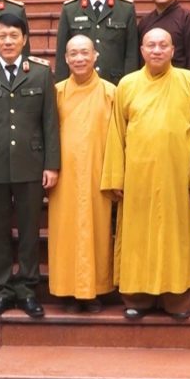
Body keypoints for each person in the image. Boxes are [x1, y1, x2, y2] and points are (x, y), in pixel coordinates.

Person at [101, 27, 190, 320]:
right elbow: (116, 134)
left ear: (173, 50)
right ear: (141, 50)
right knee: (138, 238)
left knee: (175, 237)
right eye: (150, 45)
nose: (156, 50)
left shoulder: (189, 81)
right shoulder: (127, 84)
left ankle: (177, 298)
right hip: (137, 179)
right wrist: (115, 177)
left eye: (163, 45)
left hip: (177, 177)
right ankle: (137, 297)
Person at [0, 13, 60, 319]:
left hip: (31, 163)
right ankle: (3, 289)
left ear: (24, 39)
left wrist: (51, 164)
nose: (8, 41)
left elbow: (50, 122)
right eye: (2, 36)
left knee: (30, 230)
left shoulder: (42, 73)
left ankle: (28, 289)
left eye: (14, 36)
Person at [47, 34, 116, 313]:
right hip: (64, 177)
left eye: (85, 53)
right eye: (73, 54)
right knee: (65, 233)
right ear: (65, 59)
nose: (79, 58)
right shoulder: (57, 92)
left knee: (97, 231)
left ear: (95, 55)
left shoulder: (111, 92)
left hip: (99, 174)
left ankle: (94, 290)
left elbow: (120, 139)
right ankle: (65, 288)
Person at [55, 0, 139, 85]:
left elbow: (131, 55)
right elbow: (61, 56)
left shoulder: (126, 9)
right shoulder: (70, 9)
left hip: (115, 85)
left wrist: (129, 87)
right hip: (79, 85)